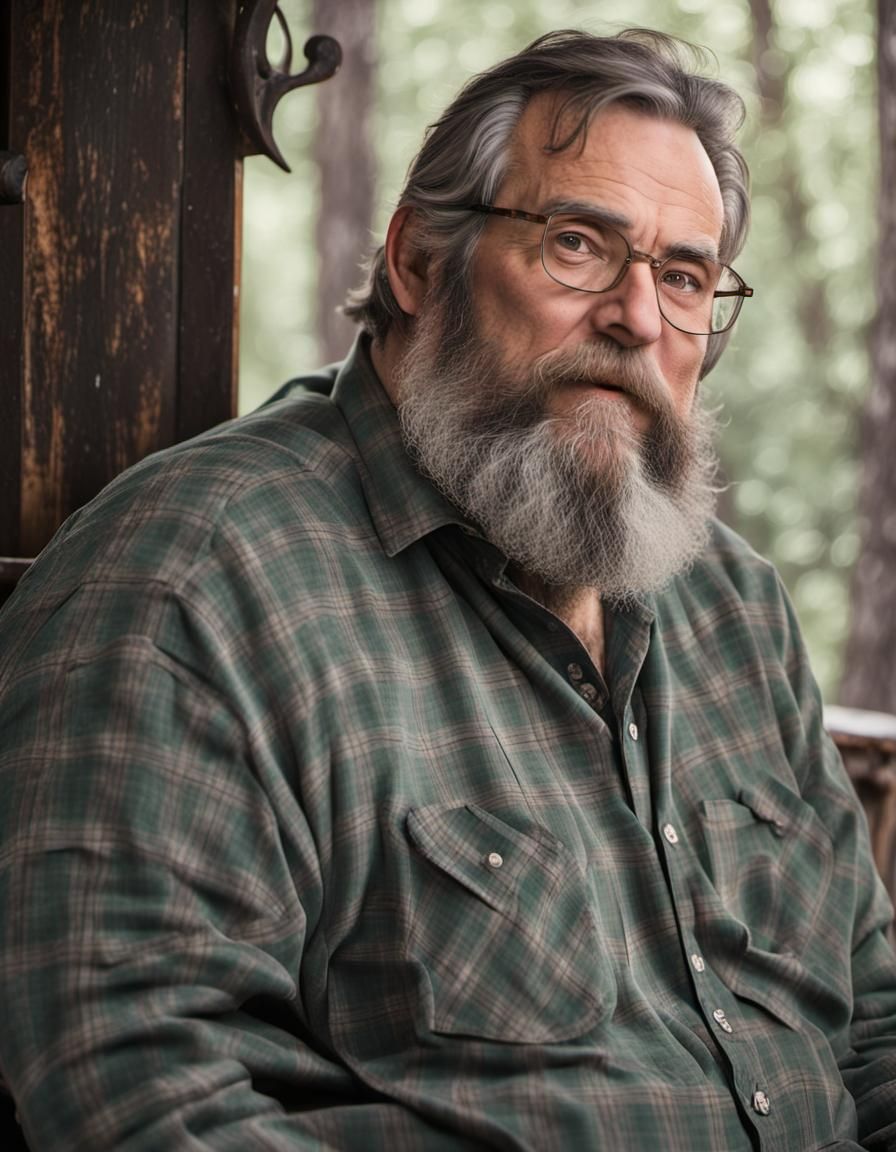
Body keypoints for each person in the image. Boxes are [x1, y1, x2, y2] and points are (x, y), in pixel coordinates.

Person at [0, 27, 894, 1152]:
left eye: (682, 276)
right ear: (419, 261)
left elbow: (868, 1031)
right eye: (577, 245)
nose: (637, 318)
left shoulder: (733, 606)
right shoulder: (193, 576)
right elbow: (132, 1087)